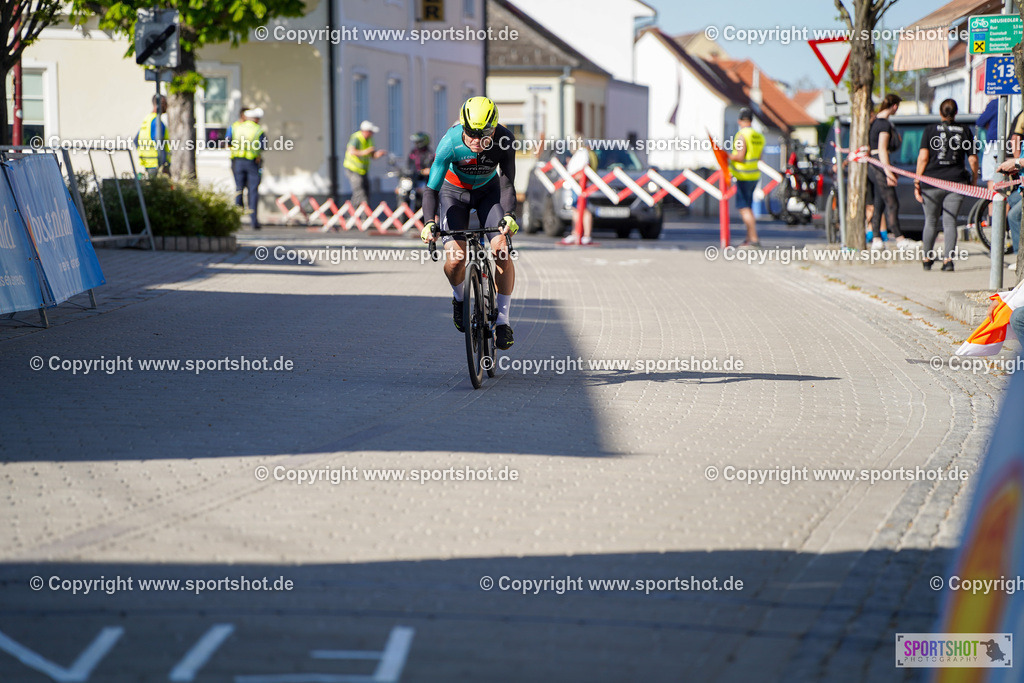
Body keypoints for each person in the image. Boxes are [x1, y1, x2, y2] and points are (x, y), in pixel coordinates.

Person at [419, 96, 519, 350]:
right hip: (454, 194)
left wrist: (509, 215)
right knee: (455, 259)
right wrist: (429, 222)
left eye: (483, 134)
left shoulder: (505, 140)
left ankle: (503, 321)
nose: (475, 140)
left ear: (494, 129)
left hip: (488, 193)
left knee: (501, 250)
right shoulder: (450, 142)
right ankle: (459, 298)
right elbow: (431, 189)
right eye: (470, 133)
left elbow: (507, 183)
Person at [914, 99, 978, 272]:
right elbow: (973, 159)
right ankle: (948, 260)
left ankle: (927, 258)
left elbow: (923, 158)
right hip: (956, 182)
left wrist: (917, 181)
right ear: (956, 113)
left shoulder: (930, 130)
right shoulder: (965, 130)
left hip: (931, 182)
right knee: (950, 222)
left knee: (930, 221)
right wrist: (973, 180)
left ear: (940, 112)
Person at [868, 93, 908, 250]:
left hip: (873, 165)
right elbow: (882, 149)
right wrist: (888, 172)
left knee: (879, 202)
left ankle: (876, 238)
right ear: (895, 106)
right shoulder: (884, 125)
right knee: (892, 203)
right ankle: (899, 238)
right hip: (879, 164)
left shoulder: (874, 122)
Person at [728, 107, 764, 247]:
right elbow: (759, 156)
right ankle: (749, 239)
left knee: (744, 208)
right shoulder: (758, 136)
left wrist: (727, 156)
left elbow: (740, 156)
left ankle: (754, 238)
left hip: (743, 175)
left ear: (740, 121)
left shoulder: (741, 135)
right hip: (754, 175)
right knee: (748, 206)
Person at [227, 108, 268, 231]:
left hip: (237, 162)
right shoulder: (258, 130)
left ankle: (236, 219)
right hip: (252, 163)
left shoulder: (235, 127)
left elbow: (228, 141)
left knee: (239, 189)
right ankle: (254, 221)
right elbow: (263, 146)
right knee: (253, 191)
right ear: (256, 119)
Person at [561, 140, 598, 245]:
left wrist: (575, 177)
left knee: (584, 209)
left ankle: (586, 235)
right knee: (575, 209)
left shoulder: (583, 153)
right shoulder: (578, 154)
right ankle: (575, 233)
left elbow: (584, 169)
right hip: (574, 184)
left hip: (580, 184)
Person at [344, 120, 387, 209]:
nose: (372, 134)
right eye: (371, 132)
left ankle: (365, 212)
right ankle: (354, 211)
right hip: (353, 169)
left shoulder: (370, 140)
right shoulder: (356, 138)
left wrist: (378, 154)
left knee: (366, 190)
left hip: (363, 170)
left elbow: (372, 155)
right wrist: (366, 151)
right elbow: (352, 151)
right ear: (366, 131)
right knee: (359, 191)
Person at [134, 94, 170, 177]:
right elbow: (159, 142)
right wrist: (164, 164)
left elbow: (136, 140)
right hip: (158, 164)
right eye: (166, 104)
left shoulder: (147, 120)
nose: (167, 107)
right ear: (161, 104)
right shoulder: (157, 122)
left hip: (148, 163)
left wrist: (144, 154)